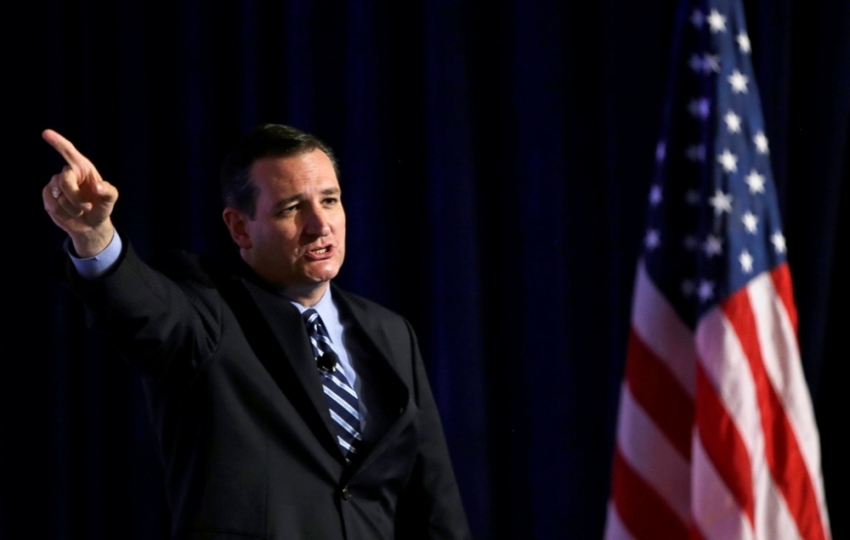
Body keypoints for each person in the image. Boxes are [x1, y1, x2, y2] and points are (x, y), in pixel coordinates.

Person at [42, 125, 471, 540]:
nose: (320, 225)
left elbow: (434, 500)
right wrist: (95, 236)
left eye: (330, 200)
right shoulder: (208, 309)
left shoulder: (391, 333)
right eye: (292, 208)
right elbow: (146, 310)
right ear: (239, 227)